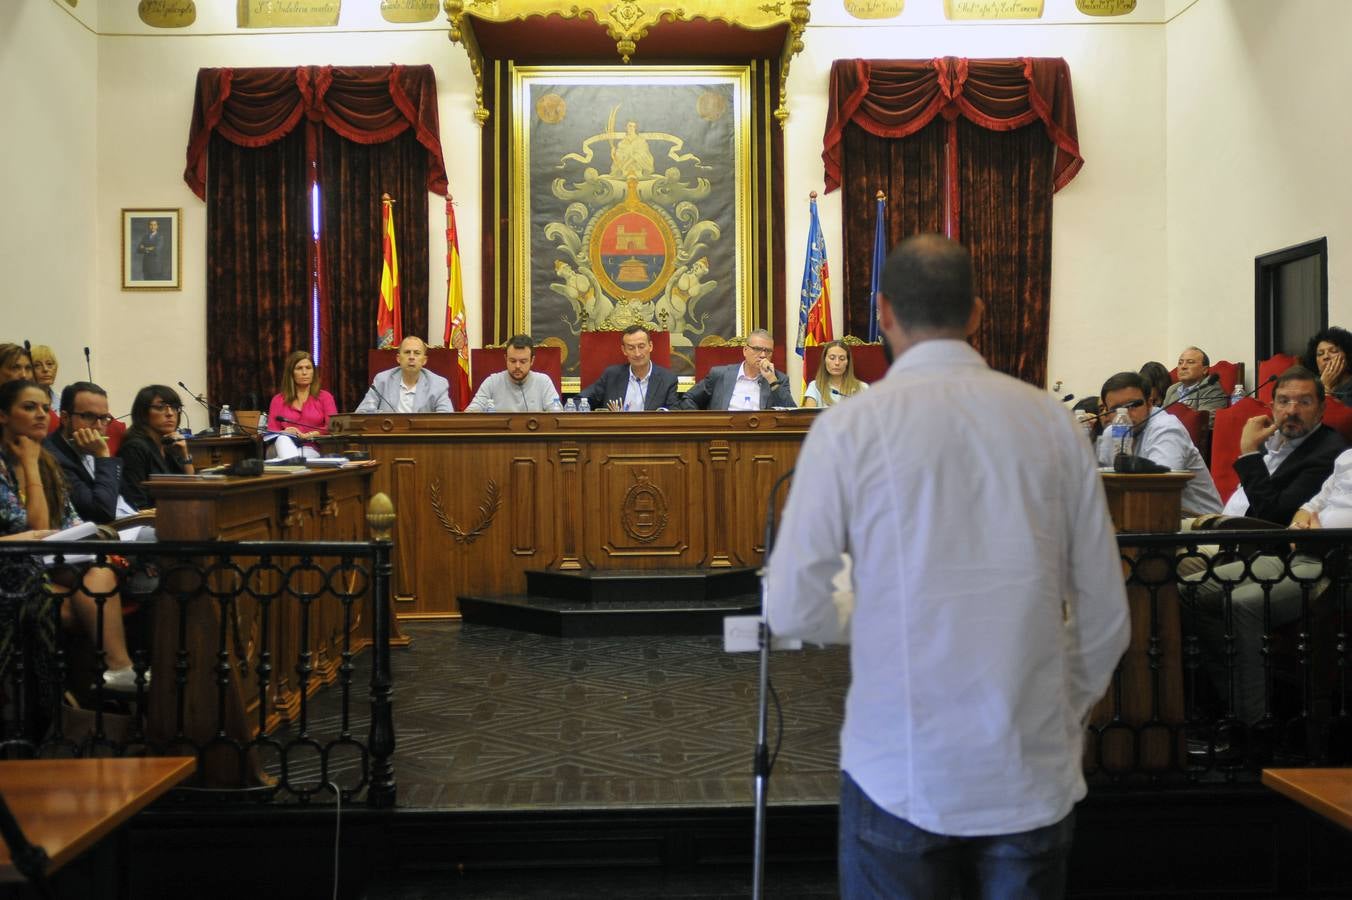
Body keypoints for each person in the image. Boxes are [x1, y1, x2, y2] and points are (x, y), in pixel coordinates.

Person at [767, 234, 1129, 899]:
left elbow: (792, 608)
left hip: (900, 767)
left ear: (882, 314)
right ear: (978, 315)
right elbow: (1106, 614)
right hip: (1029, 766)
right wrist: (1060, 709)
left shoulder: (848, 428)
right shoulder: (1053, 425)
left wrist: (874, 616)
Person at [0, 379, 140, 692]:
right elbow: (30, 527)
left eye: (42, 407)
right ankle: (106, 679)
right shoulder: (33, 458)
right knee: (85, 606)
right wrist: (30, 465)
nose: (40, 415)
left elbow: (70, 520)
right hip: (14, 567)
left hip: (47, 559)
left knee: (98, 575)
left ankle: (113, 676)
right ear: (3, 416)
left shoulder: (44, 459)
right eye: (28, 407)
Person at [1221, 366, 1345, 523]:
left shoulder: (1328, 453)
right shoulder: (1268, 440)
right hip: (1220, 525)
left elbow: (1273, 517)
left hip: (1247, 542)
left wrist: (1249, 452)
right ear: (1272, 408)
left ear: (1321, 409)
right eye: (1283, 401)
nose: (1292, 411)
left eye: (1304, 402)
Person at [1097, 371, 1223, 516]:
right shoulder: (1111, 433)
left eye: (1132, 406)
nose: (1124, 414)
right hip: (1146, 518)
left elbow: (1160, 488)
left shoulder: (1166, 428)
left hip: (1198, 525)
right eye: (1116, 409)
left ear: (1150, 403)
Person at [43, 382, 137, 524]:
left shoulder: (91, 447)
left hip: (132, 521)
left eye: (104, 418)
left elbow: (129, 501)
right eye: (89, 416)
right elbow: (101, 513)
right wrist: (102, 456)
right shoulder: (53, 456)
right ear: (65, 418)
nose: (99, 426)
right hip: (104, 533)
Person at [117, 385, 194, 510]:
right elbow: (137, 504)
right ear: (143, 413)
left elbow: (192, 491)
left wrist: (185, 456)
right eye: (160, 407)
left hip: (174, 514)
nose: (170, 413)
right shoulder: (134, 448)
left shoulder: (169, 446)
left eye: (174, 407)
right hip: (148, 522)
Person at [678, 329, 795, 411]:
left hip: (760, 440)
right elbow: (688, 398)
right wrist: (704, 426)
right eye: (757, 349)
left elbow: (792, 416)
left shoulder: (778, 379)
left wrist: (772, 381)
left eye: (768, 351)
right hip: (723, 438)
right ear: (745, 350)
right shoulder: (719, 375)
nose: (763, 355)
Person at [578, 325, 679, 412]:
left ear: (650, 346)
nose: (637, 353)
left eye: (641, 346)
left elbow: (674, 414)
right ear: (624, 350)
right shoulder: (611, 375)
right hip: (616, 433)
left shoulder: (667, 379)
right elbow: (580, 401)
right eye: (631, 348)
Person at [267, 350, 338, 459]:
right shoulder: (278, 400)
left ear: (313, 372)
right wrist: (285, 432)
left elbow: (333, 427)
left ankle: (289, 464)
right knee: (282, 438)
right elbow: (271, 432)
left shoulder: (325, 397)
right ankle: (293, 464)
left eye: (308, 368)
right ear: (291, 373)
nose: (304, 373)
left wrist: (311, 434)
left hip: (311, 447)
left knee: (298, 456)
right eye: (299, 368)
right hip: (284, 445)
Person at [356, 335, 454, 414]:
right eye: (407, 352)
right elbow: (362, 413)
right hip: (388, 436)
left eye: (417, 353)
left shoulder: (438, 384)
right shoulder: (382, 380)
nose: (411, 357)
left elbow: (446, 418)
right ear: (398, 358)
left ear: (424, 360)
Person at [464, 335, 562, 412]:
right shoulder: (492, 382)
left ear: (532, 361)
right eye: (513, 361)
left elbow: (556, 416)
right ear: (506, 359)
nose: (517, 366)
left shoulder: (543, 382)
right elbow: (472, 413)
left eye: (523, 361)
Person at [803, 340, 868, 408]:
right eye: (832, 358)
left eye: (842, 359)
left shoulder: (862, 388)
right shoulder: (815, 386)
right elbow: (809, 416)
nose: (837, 363)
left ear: (847, 363)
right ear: (824, 360)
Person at [1162, 347, 1228, 410]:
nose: (1183, 366)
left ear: (1205, 370)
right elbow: (1161, 417)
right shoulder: (1172, 389)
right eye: (1180, 363)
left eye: (1190, 362)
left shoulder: (1211, 388)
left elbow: (1206, 419)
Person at [1306, 326, 1352, 406]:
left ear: (1348, 356)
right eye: (1320, 354)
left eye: (1333, 351)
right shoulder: (1310, 386)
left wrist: (1325, 388)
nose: (1326, 356)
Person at [28, 344, 60, 415]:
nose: (45, 369)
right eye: (37, 365)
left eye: (49, 364)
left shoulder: (63, 400)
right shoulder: (24, 402)